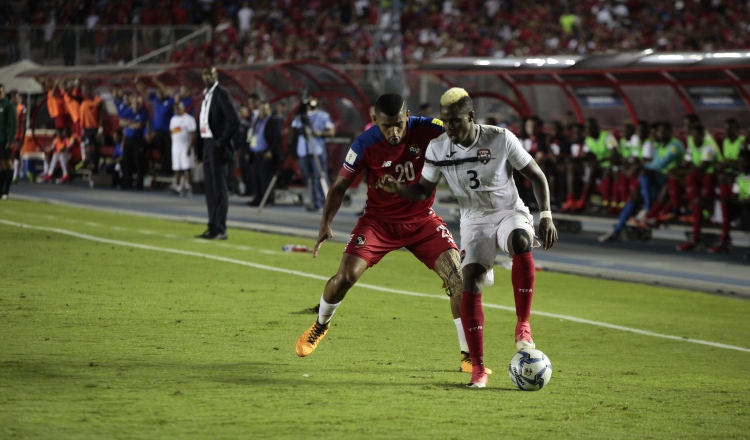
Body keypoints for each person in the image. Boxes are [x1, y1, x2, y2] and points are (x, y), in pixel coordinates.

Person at [376, 88, 558, 388]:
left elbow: (536, 175)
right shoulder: (437, 148)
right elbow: (422, 191)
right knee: (469, 279)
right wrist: (399, 189)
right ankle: (479, 369)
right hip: (473, 219)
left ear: (471, 117)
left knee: (521, 242)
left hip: (507, 210)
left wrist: (547, 215)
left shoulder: (500, 138)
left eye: (456, 122)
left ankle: (523, 326)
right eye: (445, 122)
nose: (449, 128)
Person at [295, 93, 482, 377]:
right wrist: (325, 224)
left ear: (407, 116)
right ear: (374, 122)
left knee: (458, 279)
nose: (394, 132)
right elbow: (338, 187)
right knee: (344, 277)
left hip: (422, 221)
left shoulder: (428, 128)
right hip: (378, 223)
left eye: (398, 124)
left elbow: (460, 131)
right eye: (386, 127)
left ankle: (468, 356)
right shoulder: (364, 144)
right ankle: (320, 325)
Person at [599, 122, 685, 242]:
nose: (659, 134)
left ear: (671, 132)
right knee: (634, 195)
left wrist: (640, 166)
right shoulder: (658, 145)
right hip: (658, 178)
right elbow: (654, 163)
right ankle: (617, 230)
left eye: (662, 131)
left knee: (644, 172)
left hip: (669, 178)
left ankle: (648, 209)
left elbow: (661, 164)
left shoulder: (675, 145)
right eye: (658, 131)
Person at [196, 65, 240, 240]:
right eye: (205, 73)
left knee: (219, 189)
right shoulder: (206, 95)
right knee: (209, 188)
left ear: (216, 76)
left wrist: (220, 142)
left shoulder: (221, 93)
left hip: (216, 145)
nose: (207, 77)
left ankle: (220, 228)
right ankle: (212, 226)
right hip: (207, 144)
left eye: (210, 74)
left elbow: (234, 121)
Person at [291, 96, 335, 211]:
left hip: (317, 149)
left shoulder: (323, 115)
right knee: (307, 176)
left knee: (319, 175)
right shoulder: (301, 116)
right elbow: (293, 128)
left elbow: (331, 131)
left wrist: (319, 133)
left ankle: (322, 202)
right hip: (303, 150)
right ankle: (313, 200)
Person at [136, 77, 174, 175]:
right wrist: (137, 82)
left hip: (167, 131)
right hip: (157, 131)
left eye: (161, 92)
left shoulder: (169, 100)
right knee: (160, 150)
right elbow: (144, 91)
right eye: (158, 93)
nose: (159, 94)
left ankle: (168, 170)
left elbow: (170, 93)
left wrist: (158, 82)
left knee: (168, 150)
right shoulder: (155, 99)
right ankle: (160, 168)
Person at [248, 101, 282, 207]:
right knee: (256, 176)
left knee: (265, 178)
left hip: (266, 153)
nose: (262, 112)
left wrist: (271, 151)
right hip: (256, 152)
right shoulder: (257, 121)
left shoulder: (272, 121)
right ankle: (258, 198)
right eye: (261, 109)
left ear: (269, 110)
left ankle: (268, 199)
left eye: (264, 109)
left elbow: (277, 137)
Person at [120, 95, 150, 190]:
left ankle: (139, 184)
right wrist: (123, 140)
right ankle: (127, 182)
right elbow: (121, 123)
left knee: (138, 161)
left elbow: (139, 125)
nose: (136, 105)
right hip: (128, 139)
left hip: (138, 140)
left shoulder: (143, 113)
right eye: (134, 103)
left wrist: (128, 123)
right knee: (126, 161)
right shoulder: (128, 111)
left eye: (137, 103)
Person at [169, 101, 196, 196]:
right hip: (176, 147)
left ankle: (188, 187)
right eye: (175, 108)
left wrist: (189, 147)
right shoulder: (173, 119)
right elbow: (172, 132)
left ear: (183, 108)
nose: (176, 110)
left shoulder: (189, 119)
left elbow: (193, 134)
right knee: (177, 168)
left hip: (185, 146)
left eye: (178, 108)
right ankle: (177, 186)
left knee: (187, 168)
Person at [79, 84, 104, 172]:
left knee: (94, 147)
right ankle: (92, 164)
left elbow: (101, 115)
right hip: (86, 128)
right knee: (89, 147)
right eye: (84, 90)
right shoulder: (84, 101)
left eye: (87, 90)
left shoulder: (97, 101)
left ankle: (95, 165)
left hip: (95, 128)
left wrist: (100, 129)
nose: (85, 92)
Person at [0, 84, 18, 200]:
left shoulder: (8, 106)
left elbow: (13, 124)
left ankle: (6, 191)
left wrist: (10, 140)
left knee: (7, 163)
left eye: (1, 91)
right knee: (0, 165)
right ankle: (1, 191)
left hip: (4, 139)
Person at [10, 90, 26, 184]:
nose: (14, 99)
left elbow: (24, 123)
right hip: (10, 135)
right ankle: (13, 174)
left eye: (16, 97)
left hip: (18, 135)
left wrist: (23, 136)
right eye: (13, 97)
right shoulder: (10, 108)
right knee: (9, 155)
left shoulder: (22, 108)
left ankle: (15, 175)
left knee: (15, 154)